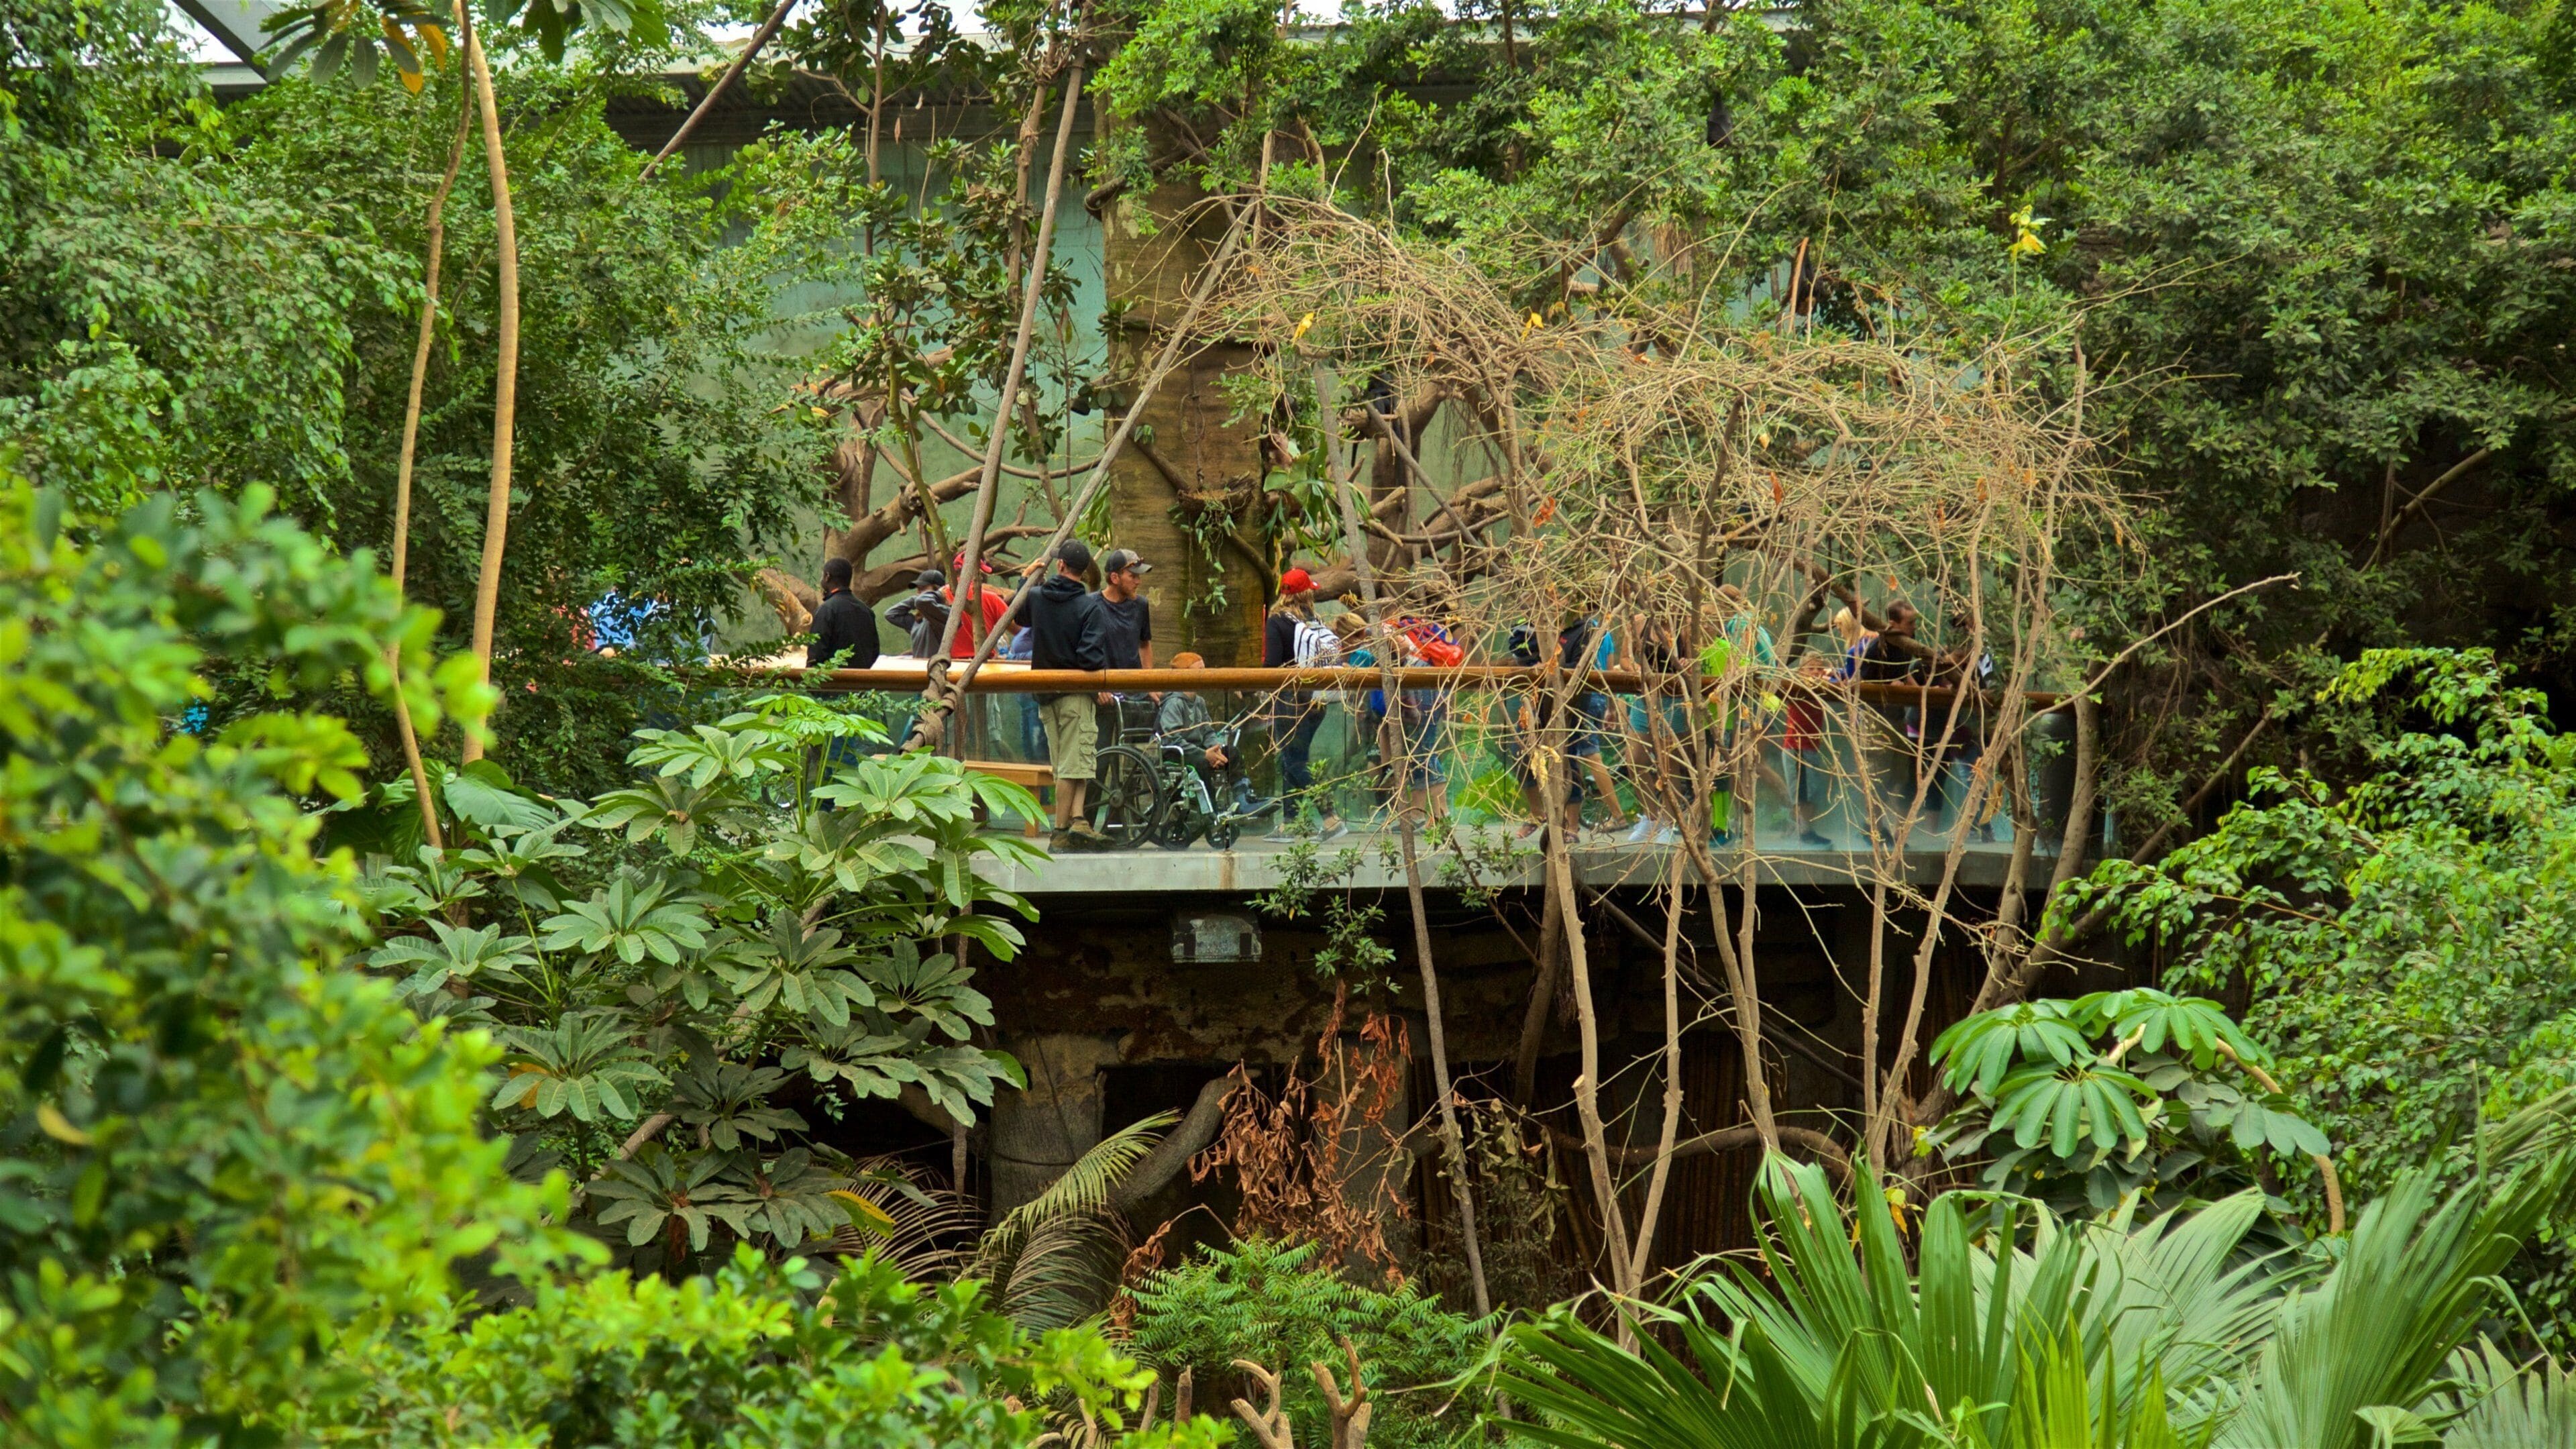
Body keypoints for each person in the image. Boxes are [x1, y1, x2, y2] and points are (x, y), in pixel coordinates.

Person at [1024, 540, 1110, 847]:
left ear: (1060, 565)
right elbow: (1090, 658)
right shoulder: (1089, 606)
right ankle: (1060, 831)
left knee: (1067, 763)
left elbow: (1019, 616)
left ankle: (1077, 820)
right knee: (1074, 764)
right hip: (1075, 695)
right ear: (1083, 572)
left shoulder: (1036, 597)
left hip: (1046, 694)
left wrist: (1026, 580)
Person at [1262, 567, 1348, 841]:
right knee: (1294, 759)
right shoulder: (1314, 620)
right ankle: (1291, 823)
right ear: (1307, 593)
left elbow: (1272, 665)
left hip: (1291, 701)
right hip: (1317, 701)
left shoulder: (1278, 621)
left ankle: (1331, 818)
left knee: (1293, 761)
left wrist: (1251, 684)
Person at [1157, 652, 1265, 818]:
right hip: (1177, 752)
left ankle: (1243, 800)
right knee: (1201, 763)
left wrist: (1216, 749)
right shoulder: (1174, 703)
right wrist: (1205, 754)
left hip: (1200, 750)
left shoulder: (1199, 701)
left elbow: (1207, 730)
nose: (1205, 674)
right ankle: (1211, 811)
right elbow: (1173, 738)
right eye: (1200, 670)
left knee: (1232, 753)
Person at [807, 556, 880, 671]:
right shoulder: (867, 611)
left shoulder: (826, 610)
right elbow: (874, 651)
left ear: (827, 577)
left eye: (822, 576)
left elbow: (816, 654)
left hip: (832, 680)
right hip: (861, 679)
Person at [1096, 548, 1154, 670]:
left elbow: (1145, 644)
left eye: (1138, 576)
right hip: (1104, 679)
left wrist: (1148, 677)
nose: (1138, 582)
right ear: (1115, 578)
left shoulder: (1141, 605)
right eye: (1133, 576)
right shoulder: (1092, 605)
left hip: (1133, 679)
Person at [884, 568, 949, 659]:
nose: (919, 593)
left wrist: (938, 595)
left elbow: (923, 601)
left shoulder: (943, 615)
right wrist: (916, 599)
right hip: (919, 666)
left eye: (923, 589)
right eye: (918, 589)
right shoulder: (918, 621)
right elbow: (891, 614)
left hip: (937, 666)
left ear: (937, 590)